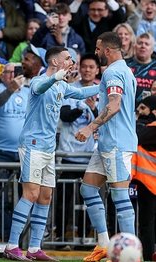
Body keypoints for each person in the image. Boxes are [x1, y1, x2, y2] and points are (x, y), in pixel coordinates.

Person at [2, 46, 99, 261]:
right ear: (55, 62)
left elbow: (82, 93)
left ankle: (35, 248)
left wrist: (106, 86)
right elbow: (43, 85)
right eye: (68, 59)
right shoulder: (38, 81)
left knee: (45, 196)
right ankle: (11, 245)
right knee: (31, 194)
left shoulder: (62, 86)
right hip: (32, 145)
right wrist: (57, 77)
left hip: (48, 148)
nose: (72, 62)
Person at [75, 32, 138, 262]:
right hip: (109, 143)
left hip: (116, 143)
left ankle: (131, 253)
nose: (96, 52)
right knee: (88, 189)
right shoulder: (125, 71)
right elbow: (111, 99)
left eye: (98, 48)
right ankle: (103, 244)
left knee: (120, 196)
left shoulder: (112, 72)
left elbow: (114, 105)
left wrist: (89, 127)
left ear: (108, 50)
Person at [55, 53, 100, 242]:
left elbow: (105, 121)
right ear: (80, 68)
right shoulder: (70, 89)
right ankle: (61, 237)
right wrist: (83, 107)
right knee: (64, 200)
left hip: (90, 155)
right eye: (85, 66)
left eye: (91, 67)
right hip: (69, 153)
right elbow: (64, 115)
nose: (87, 70)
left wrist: (95, 109)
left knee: (87, 199)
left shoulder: (102, 91)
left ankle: (85, 236)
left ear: (97, 70)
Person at [0, 64, 28, 239]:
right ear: (2, 75)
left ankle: (20, 237)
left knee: (25, 196)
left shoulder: (28, 92)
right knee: (1, 197)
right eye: (7, 72)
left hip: (23, 151)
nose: (11, 75)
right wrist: (11, 89)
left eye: (15, 72)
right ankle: (5, 234)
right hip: (0, 150)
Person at [131, 96, 156, 261]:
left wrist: (137, 122)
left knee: (146, 224)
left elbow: (135, 136)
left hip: (150, 185)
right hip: (147, 184)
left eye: (142, 108)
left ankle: (148, 255)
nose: (138, 113)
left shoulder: (151, 129)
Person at [126, 33, 156, 103]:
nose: (143, 46)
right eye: (140, 43)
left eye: (147, 44)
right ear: (134, 46)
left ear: (152, 49)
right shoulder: (125, 64)